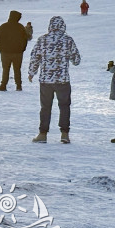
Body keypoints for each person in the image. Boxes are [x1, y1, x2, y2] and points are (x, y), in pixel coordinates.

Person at [28, 15, 81, 143]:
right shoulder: (68, 40)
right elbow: (76, 60)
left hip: (46, 81)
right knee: (64, 106)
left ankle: (42, 134)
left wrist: (31, 73)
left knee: (45, 107)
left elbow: (35, 57)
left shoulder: (42, 39)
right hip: (62, 80)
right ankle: (64, 134)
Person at [0, 9, 29, 91]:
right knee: (17, 69)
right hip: (18, 53)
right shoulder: (20, 27)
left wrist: (0, 48)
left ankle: (3, 85)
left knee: (5, 69)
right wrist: (22, 49)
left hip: (5, 52)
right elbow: (25, 39)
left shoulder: (3, 26)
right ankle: (19, 86)